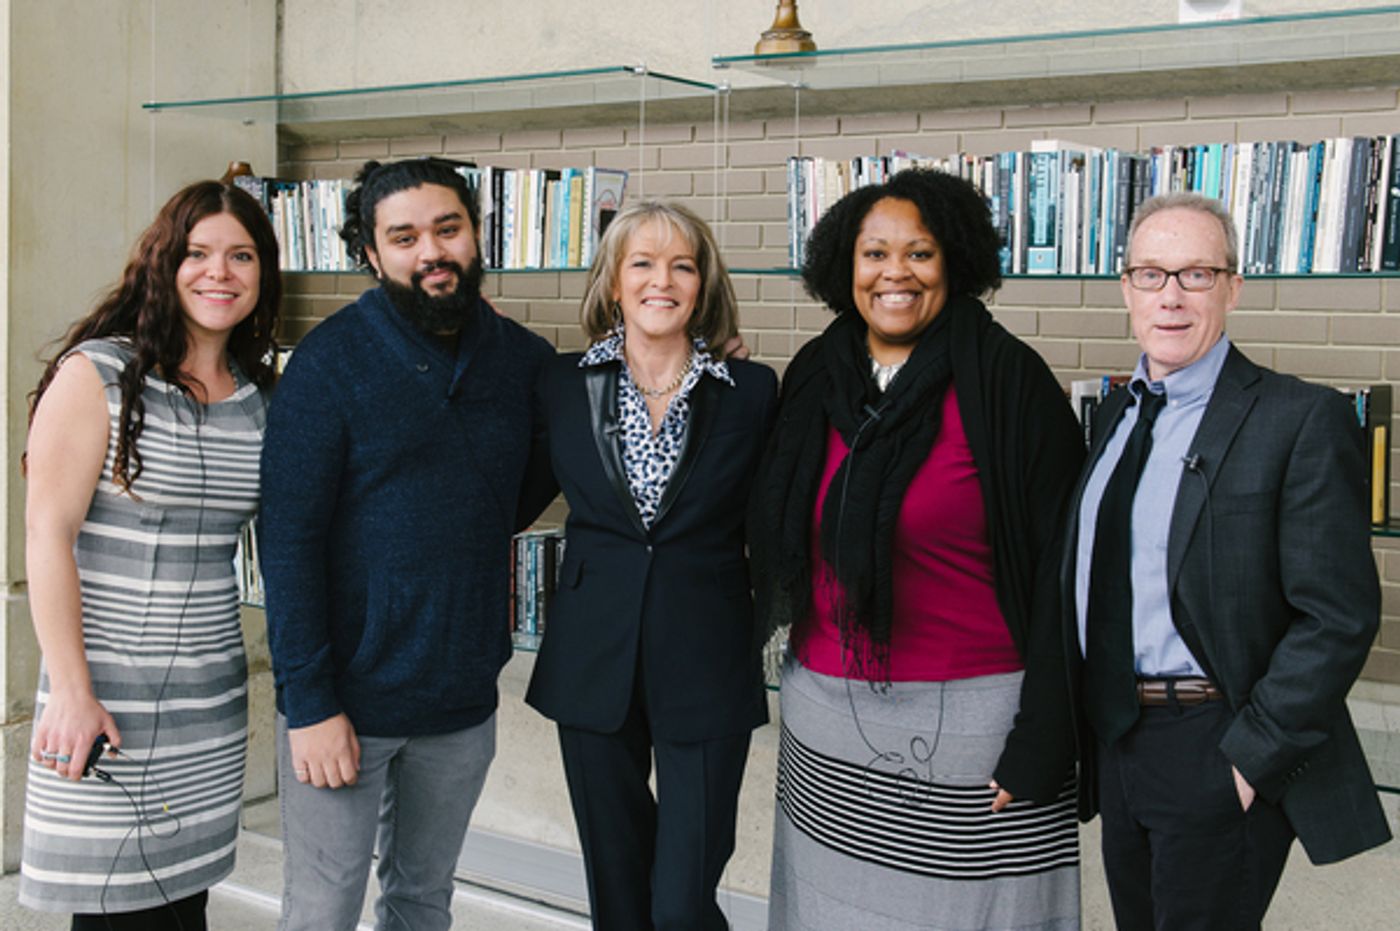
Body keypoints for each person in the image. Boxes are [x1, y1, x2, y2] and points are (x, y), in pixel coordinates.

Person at [748, 169, 1085, 930]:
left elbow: (1068, 574)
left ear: (955, 262)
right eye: (874, 253)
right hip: (826, 716)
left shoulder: (1009, 382)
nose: (894, 273)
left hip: (979, 725)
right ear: (846, 266)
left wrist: (1043, 738)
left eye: (920, 253)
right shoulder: (814, 376)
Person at [1066, 191, 1392, 930]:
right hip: (1120, 739)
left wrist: (1246, 764)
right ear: (1126, 288)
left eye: (1196, 274)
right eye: (1151, 274)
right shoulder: (1117, 414)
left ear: (1233, 287)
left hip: (1216, 741)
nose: (1171, 296)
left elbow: (1338, 616)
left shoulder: (1299, 418)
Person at [257, 157, 556, 931]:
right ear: (371, 253)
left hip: (459, 701)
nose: (431, 250)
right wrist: (311, 702)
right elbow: (287, 542)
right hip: (345, 704)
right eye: (404, 236)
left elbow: (514, 501)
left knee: (423, 900)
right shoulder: (327, 362)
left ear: (476, 233)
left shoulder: (524, 362)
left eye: (447, 228)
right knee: (322, 909)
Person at [20, 180, 281, 929]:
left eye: (241, 255)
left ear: (263, 273)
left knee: (181, 909)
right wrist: (71, 691)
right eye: (198, 253)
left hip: (209, 708)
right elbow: (47, 534)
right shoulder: (97, 374)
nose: (218, 272)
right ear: (165, 263)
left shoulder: (259, 400)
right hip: (105, 700)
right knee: (111, 912)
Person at [525, 201, 777, 929]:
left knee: (682, 901)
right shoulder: (561, 383)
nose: (661, 280)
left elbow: (778, 519)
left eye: (682, 264)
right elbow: (511, 489)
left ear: (703, 283)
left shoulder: (752, 391)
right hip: (592, 656)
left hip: (706, 657)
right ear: (612, 281)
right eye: (642, 262)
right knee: (618, 892)